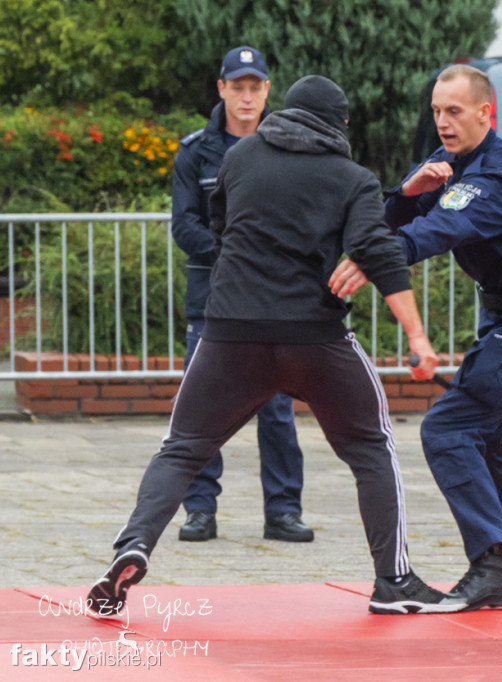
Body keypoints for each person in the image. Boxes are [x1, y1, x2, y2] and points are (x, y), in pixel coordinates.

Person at [89, 75, 465, 617]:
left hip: (230, 332)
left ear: (285, 111)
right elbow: (376, 250)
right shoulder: (351, 177)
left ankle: (134, 544)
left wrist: (402, 195)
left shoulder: (240, 159)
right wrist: (418, 337)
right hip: (314, 337)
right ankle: (393, 580)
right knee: (370, 448)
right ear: (339, 124)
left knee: (182, 447)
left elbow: (218, 228)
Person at [330, 64, 502, 611]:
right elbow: (392, 221)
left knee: (449, 429)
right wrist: (405, 191)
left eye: (454, 111)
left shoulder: (496, 178)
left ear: (486, 113)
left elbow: (437, 232)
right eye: (437, 111)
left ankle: (493, 565)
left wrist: (374, 261)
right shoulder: (451, 165)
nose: (442, 121)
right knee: (485, 442)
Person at [172, 46, 312, 543]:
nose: (247, 96)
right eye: (239, 87)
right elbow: (184, 224)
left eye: (256, 87)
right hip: (211, 301)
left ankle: (283, 512)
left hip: (271, 301)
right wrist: (231, 251)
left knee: (276, 410)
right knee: (204, 408)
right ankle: (200, 510)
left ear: (268, 90)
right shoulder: (194, 153)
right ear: (222, 89)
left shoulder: (289, 147)